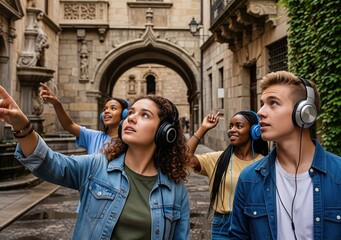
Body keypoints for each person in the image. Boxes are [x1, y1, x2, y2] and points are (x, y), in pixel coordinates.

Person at [0, 88, 191, 240]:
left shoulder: (175, 190)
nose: (131, 118)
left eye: (145, 115)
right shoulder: (96, 165)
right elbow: (48, 163)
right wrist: (21, 126)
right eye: (131, 112)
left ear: (165, 132)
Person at [228, 71, 341, 239]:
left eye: (273, 103)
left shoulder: (338, 174)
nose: (260, 112)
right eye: (262, 103)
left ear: (304, 113)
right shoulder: (249, 178)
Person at [187, 110, 269, 239]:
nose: (232, 130)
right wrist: (203, 129)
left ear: (255, 131)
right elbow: (185, 158)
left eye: (239, 126)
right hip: (222, 225)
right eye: (231, 126)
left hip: (253, 223)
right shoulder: (218, 159)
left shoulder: (265, 163)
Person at [39, 82, 129, 154]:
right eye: (105, 109)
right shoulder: (93, 137)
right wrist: (56, 104)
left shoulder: (129, 142)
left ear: (124, 114)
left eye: (113, 108)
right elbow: (69, 126)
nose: (106, 111)